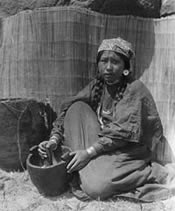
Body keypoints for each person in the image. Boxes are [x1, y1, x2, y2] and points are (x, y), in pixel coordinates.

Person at [38, 37, 175, 201]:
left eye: (115, 62)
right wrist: (54, 139)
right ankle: (89, 166)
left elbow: (121, 134)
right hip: (104, 143)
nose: (108, 67)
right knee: (76, 107)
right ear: (98, 64)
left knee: (96, 188)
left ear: (125, 67)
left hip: (130, 149)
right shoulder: (97, 86)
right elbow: (67, 109)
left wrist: (88, 153)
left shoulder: (135, 89)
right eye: (104, 61)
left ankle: (151, 172)